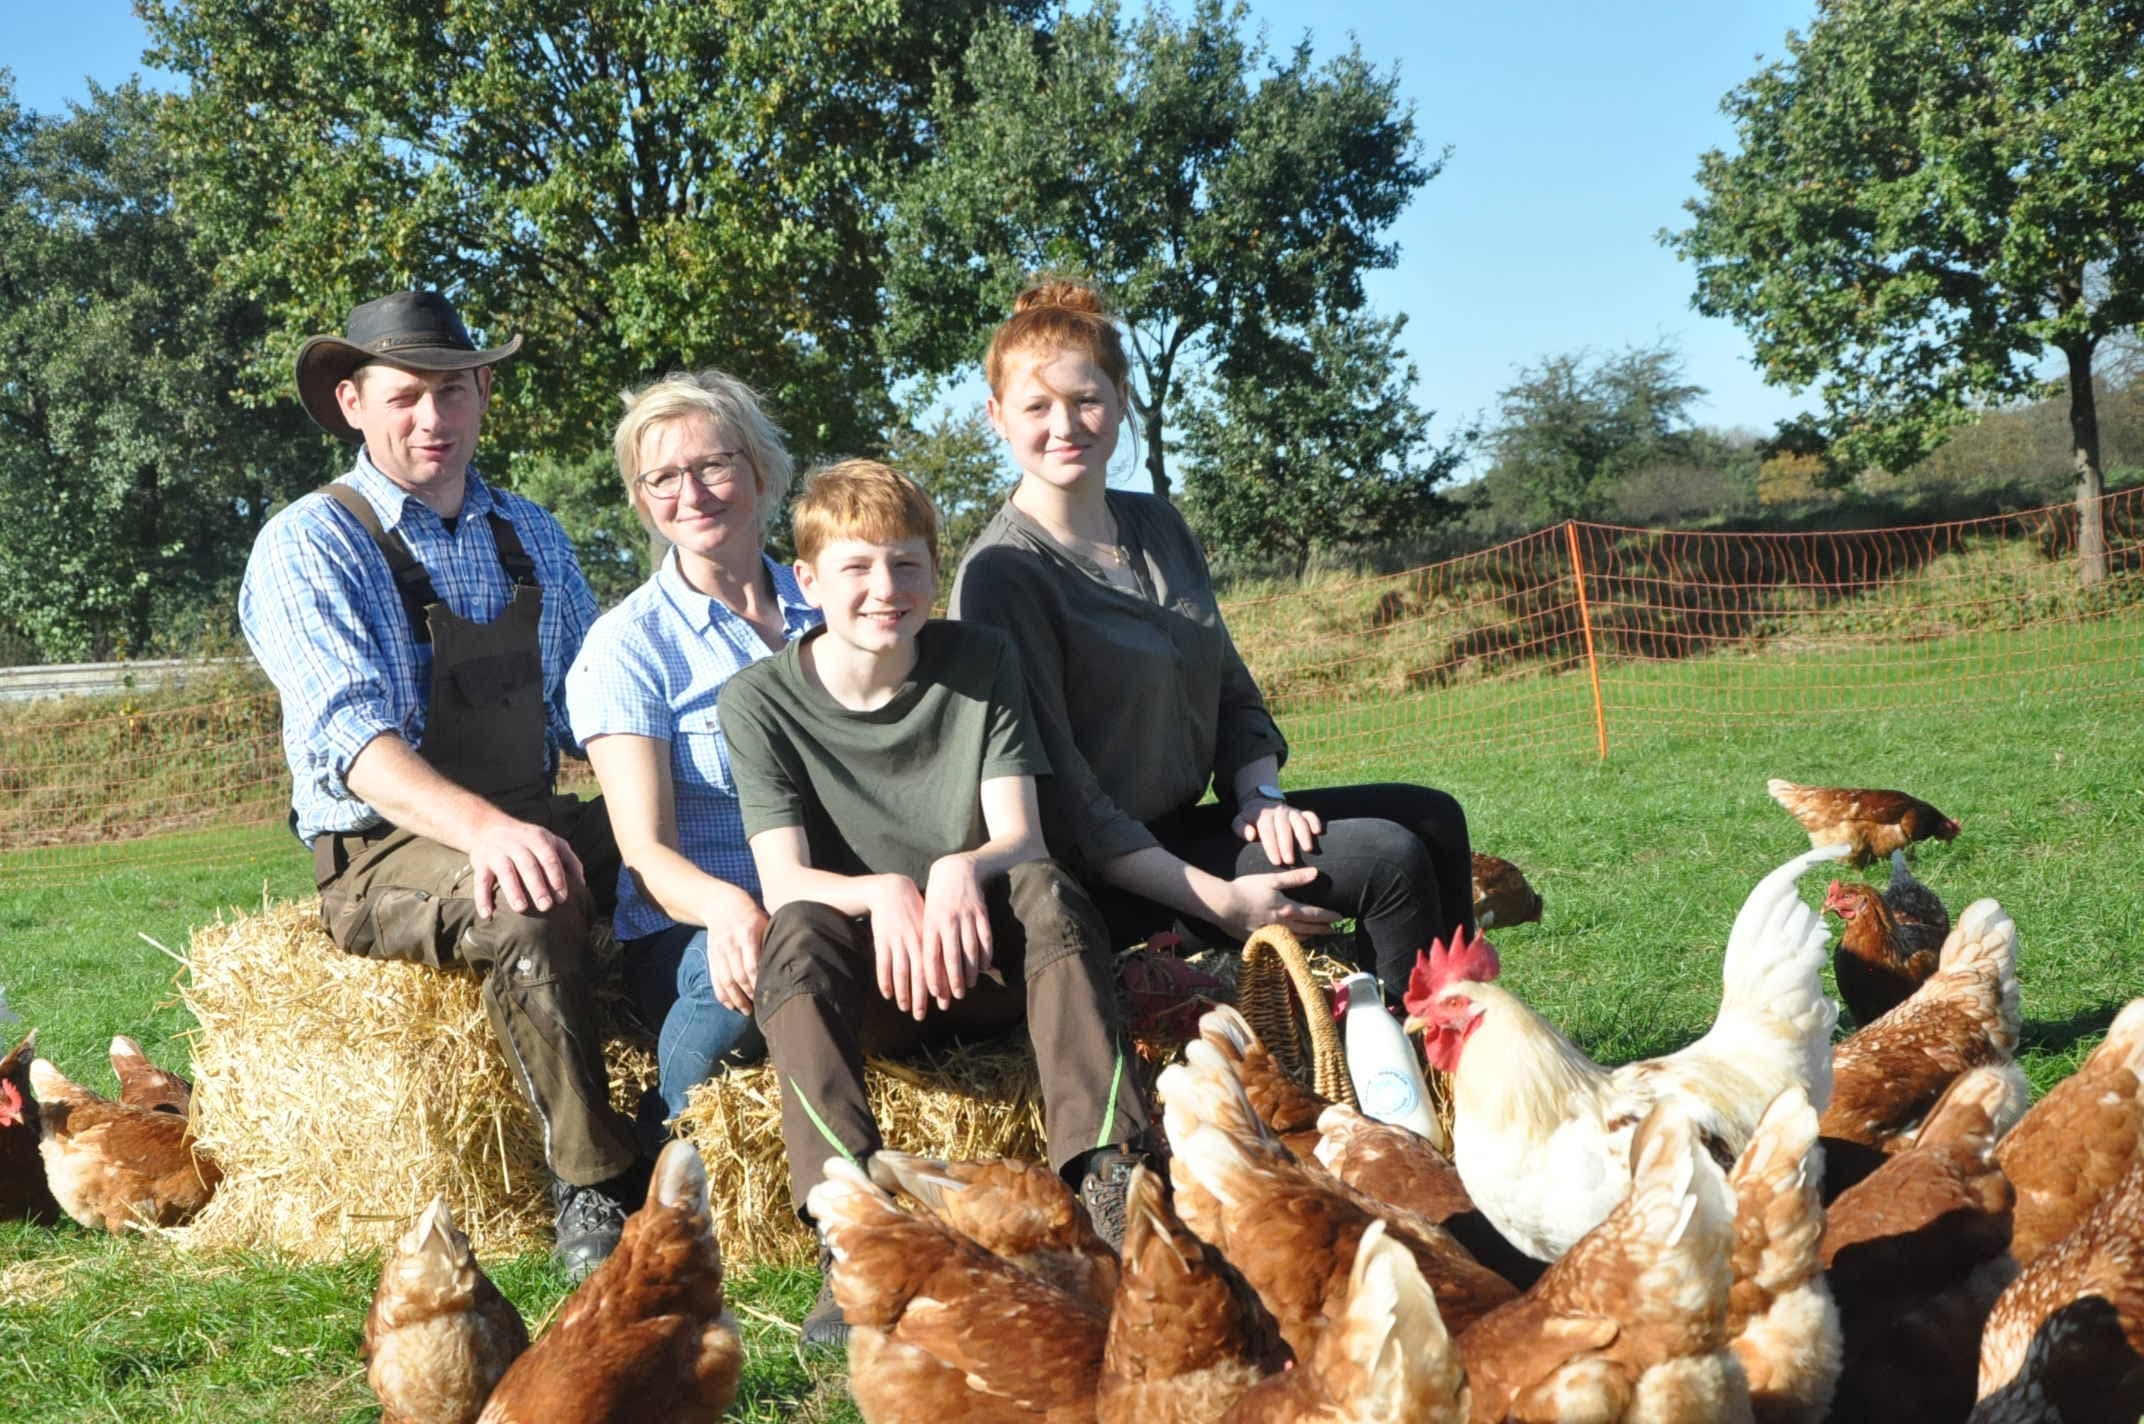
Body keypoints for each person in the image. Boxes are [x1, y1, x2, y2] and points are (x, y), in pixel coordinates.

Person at [239, 291, 643, 1279]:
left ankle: (702, 1103)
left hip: (531, 809)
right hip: (383, 841)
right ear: (351, 402)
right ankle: (590, 1181)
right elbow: (351, 737)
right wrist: (484, 832)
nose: (433, 417)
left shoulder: (531, 534)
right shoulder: (310, 541)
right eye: (407, 395)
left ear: (483, 395)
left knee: (686, 846)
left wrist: (677, 805)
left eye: (453, 391)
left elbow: (591, 709)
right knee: (527, 901)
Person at [718, 459, 1149, 1348]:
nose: (886, 590)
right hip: (871, 986)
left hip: (985, 967)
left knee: (1046, 887)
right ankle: (852, 1224)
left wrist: (960, 868)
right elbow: (784, 880)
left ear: (933, 570)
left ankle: (1108, 1179)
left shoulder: (980, 661)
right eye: (857, 568)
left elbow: (1018, 835)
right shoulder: (758, 702)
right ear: (807, 580)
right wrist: (888, 891)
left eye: (908, 565)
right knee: (794, 934)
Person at [949, 278, 1476, 1003]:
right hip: (1097, 877)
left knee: (1433, 815)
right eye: (1037, 406)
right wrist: (1218, 900)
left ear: (1121, 400)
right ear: (996, 417)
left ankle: (1467, 1062)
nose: (1064, 425)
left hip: (1183, 829)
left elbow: (1230, 686)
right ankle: (1400, 1088)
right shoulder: (1003, 575)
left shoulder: (1158, 527)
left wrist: (1259, 797)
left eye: (1086, 399)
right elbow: (1067, 803)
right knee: (1389, 858)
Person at [564, 371, 821, 1158]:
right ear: (641, 501)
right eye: (663, 478)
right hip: (694, 923)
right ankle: (666, 1137)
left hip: (830, 896)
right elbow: (646, 853)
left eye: (713, 465)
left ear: (761, 471)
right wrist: (731, 911)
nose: (693, 492)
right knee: (750, 987)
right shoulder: (627, 645)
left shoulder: (832, 604)